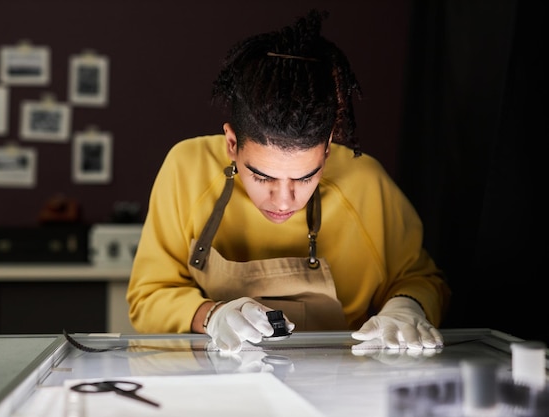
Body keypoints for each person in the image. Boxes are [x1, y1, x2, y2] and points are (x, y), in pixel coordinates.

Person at [127, 9, 451, 354]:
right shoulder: (186, 168)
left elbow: (420, 279)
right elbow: (147, 295)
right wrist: (211, 315)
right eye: (262, 176)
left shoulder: (366, 182)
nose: (283, 201)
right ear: (232, 144)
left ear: (327, 149)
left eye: (306, 176)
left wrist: (406, 307)